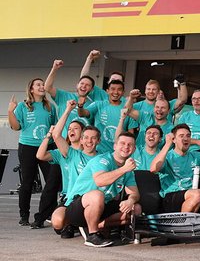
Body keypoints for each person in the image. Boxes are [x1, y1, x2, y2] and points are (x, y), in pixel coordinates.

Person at [63, 132, 141, 248]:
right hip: (78, 206)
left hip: (102, 205)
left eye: (130, 145)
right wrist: (123, 169)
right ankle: (92, 235)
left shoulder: (127, 168)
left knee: (136, 209)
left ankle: (97, 225)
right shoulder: (102, 160)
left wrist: (130, 201)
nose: (126, 147)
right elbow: (100, 181)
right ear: (115, 146)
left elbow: (135, 193)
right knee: (97, 195)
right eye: (122, 143)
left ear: (134, 149)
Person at [35, 100, 100, 235]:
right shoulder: (68, 153)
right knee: (57, 223)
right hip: (70, 197)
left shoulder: (101, 157)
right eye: (69, 129)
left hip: (91, 196)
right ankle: (71, 222)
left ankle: (81, 223)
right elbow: (41, 154)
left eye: (75, 128)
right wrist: (67, 110)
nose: (71, 131)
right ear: (82, 139)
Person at [8, 78, 58, 226]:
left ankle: (49, 212)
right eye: (38, 85)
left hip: (47, 147)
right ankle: (24, 215)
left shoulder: (50, 107)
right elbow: (16, 126)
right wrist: (10, 110)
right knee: (27, 182)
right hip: (27, 147)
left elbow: (55, 127)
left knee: (51, 181)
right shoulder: (23, 106)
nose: (42, 86)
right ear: (31, 89)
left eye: (43, 84)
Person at [150, 124, 200, 215]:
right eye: (181, 136)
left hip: (193, 195)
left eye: (188, 136)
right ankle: (183, 223)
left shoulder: (196, 156)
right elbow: (153, 169)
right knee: (197, 194)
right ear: (174, 139)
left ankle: (197, 218)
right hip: (171, 196)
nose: (185, 139)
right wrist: (167, 144)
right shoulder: (167, 156)